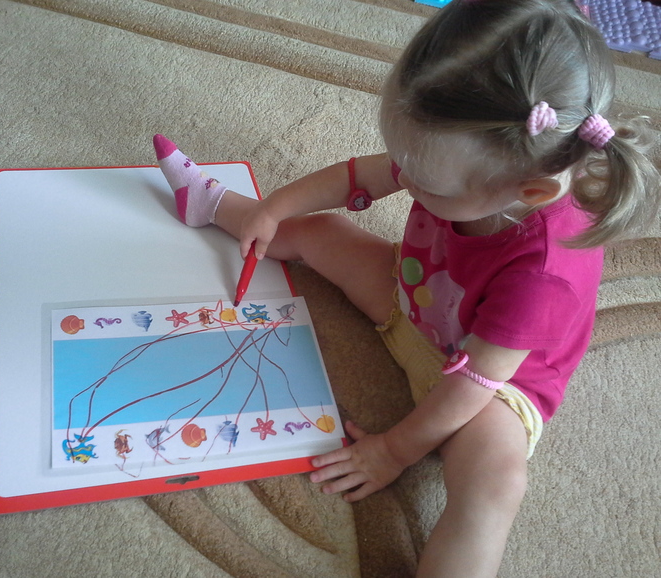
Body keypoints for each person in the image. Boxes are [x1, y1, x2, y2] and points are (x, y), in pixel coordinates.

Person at [153, 0, 660, 574]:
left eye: (425, 184)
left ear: (533, 191)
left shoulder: (547, 273)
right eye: (404, 164)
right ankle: (220, 206)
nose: (404, 182)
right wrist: (274, 208)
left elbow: (474, 380)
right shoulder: (452, 154)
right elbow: (357, 178)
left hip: (491, 387)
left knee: (494, 484)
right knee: (321, 231)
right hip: (415, 299)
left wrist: (395, 450)